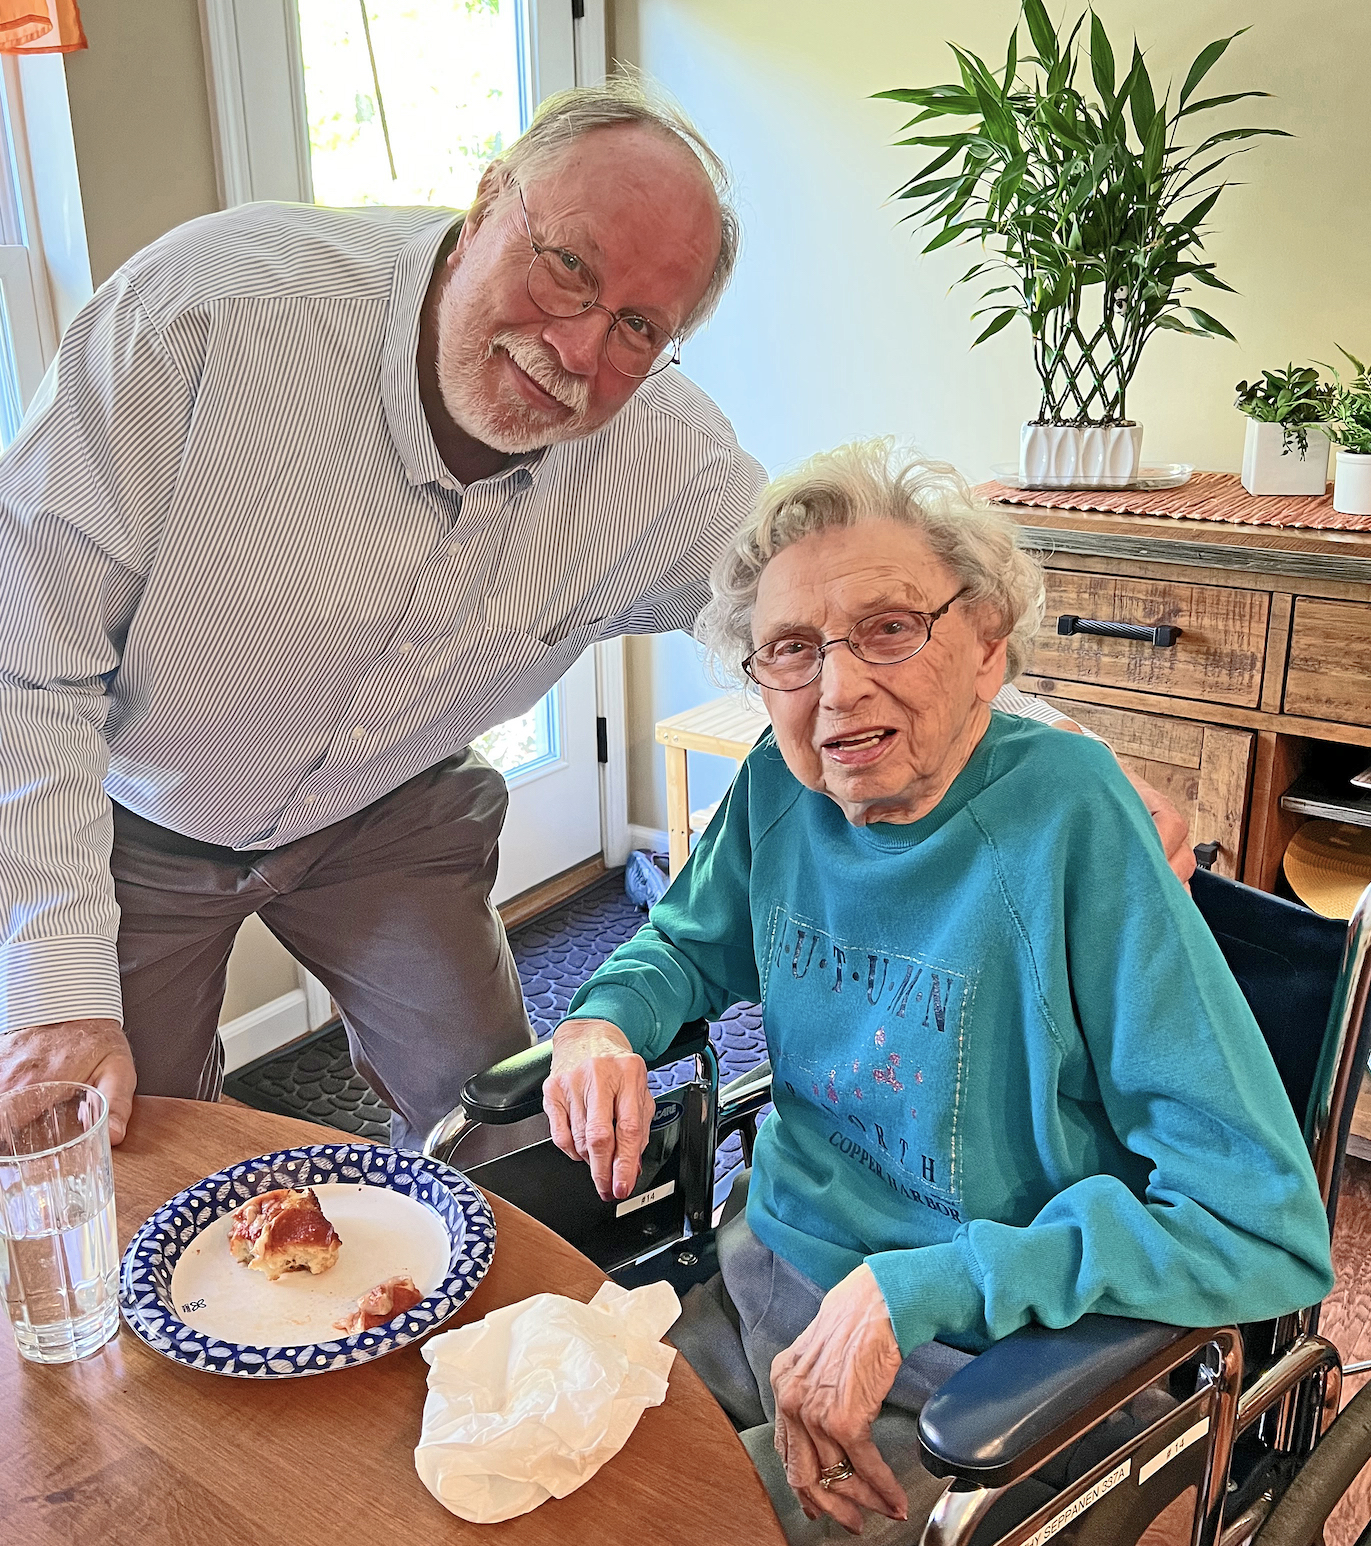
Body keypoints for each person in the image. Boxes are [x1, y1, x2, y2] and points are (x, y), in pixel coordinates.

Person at [0, 81, 1187, 1205]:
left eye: (637, 328)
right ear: (487, 196)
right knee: (110, 1157)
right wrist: (52, 993)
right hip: (124, 803)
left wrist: (1047, 760)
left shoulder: (665, 464)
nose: (574, 346)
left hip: (386, 807)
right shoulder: (211, 312)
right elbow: (9, 664)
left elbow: (833, 623)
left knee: (510, 1118)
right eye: (567, 263)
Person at [543, 440, 1333, 1543]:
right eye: (791, 650)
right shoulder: (780, 784)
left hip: (980, 1364)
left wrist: (921, 1284)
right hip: (755, 1273)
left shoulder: (1070, 824)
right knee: (532, 1473)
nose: (839, 687)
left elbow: (1262, 1228)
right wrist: (598, 1019)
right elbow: (679, 943)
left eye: (889, 629)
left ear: (985, 648)